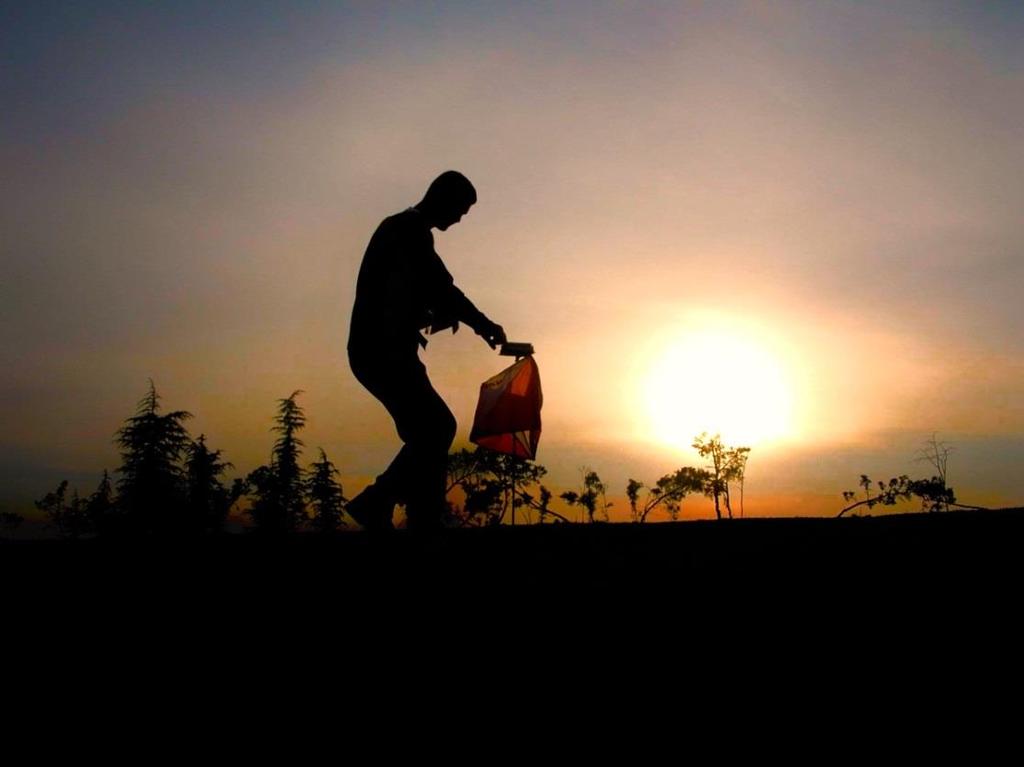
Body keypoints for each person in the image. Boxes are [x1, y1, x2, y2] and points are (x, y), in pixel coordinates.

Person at [346, 171, 506, 531]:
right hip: (381, 352)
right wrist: (483, 325)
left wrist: (432, 313)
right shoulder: (408, 231)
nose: (461, 218)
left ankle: (422, 514)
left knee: (427, 434)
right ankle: (379, 502)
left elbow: (414, 290)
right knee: (436, 428)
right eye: (460, 209)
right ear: (442, 198)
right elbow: (441, 287)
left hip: (385, 350)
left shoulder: (404, 231)